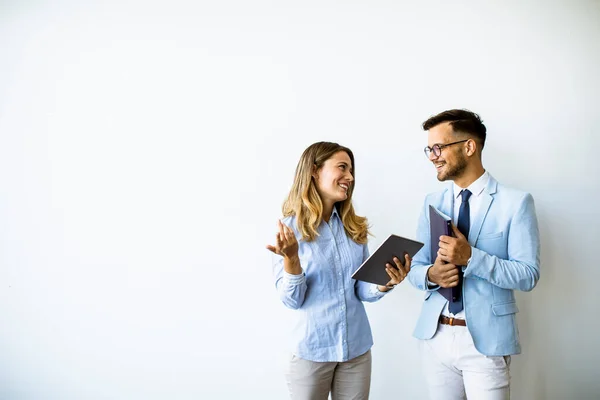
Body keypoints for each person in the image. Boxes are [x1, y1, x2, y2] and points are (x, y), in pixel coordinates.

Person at [408, 109, 541, 399]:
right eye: (429, 149)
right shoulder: (432, 202)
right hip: (436, 336)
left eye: (439, 147)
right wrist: (431, 275)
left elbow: (528, 275)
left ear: (469, 147)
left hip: (485, 343)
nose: (432, 156)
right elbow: (416, 268)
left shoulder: (516, 203)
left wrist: (470, 258)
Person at [266, 141, 411, 400]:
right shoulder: (290, 230)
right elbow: (292, 299)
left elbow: (361, 289)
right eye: (342, 168)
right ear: (313, 171)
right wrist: (291, 259)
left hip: (356, 349)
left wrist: (385, 282)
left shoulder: (353, 228)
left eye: (351, 170)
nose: (350, 177)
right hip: (312, 353)